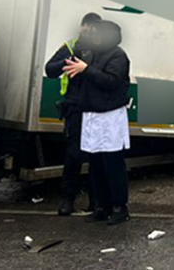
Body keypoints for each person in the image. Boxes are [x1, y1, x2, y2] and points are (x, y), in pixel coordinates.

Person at [62, 20, 132, 225]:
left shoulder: (118, 55)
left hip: (109, 116)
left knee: (113, 163)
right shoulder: (93, 55)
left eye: (99, 34)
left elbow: (112, 81)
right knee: (95, 164)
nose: (95, 38)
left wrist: (87, 69)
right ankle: (102, 206)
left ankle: (120, 207)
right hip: (92, 114)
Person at [44, 12, 101, 216]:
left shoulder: (102, 48)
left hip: (95, 108)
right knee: (73, 157)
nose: (91, 31)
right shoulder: (70, 46)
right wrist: (68, 61)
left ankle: (96, 203)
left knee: (96, 158)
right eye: (89, 27)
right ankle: (67, 200)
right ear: (82, 26)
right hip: (75, 109)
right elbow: (50, 70)